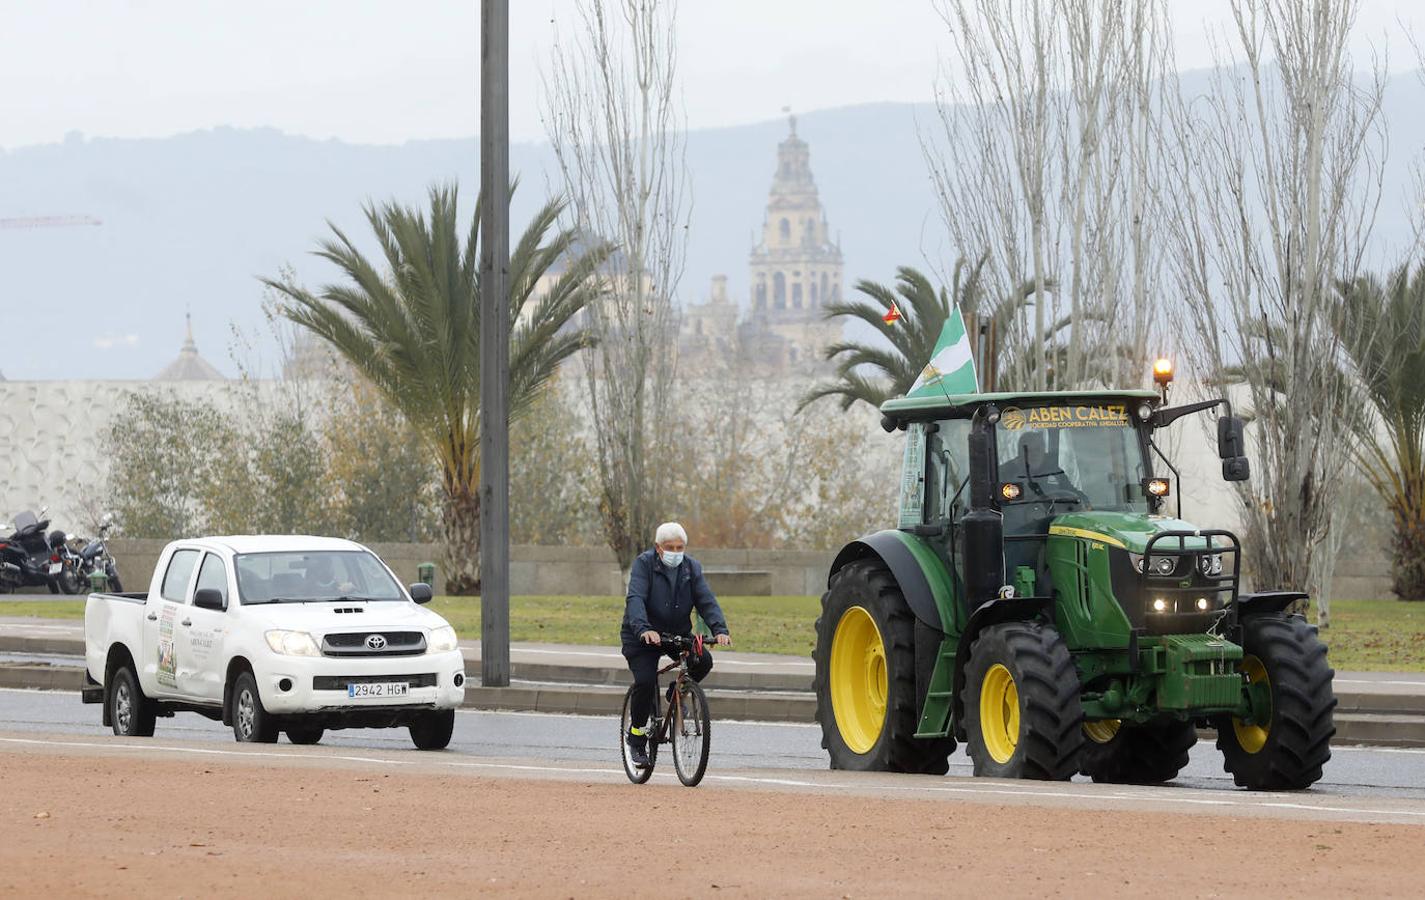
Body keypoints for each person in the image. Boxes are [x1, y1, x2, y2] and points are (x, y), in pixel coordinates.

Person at [621, 522, 731, 767]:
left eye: (680, 547)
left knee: (703, 661)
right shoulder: (644, 564)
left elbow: (706, 600)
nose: (675, 552)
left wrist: (720, 630)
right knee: (646, 682)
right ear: (658, 548)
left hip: (675, 634)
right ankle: (636, 736)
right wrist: (644, 629)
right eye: (670, 547)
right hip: (641, 636)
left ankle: (676, 692)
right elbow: (635, 598)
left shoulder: (692, 568)